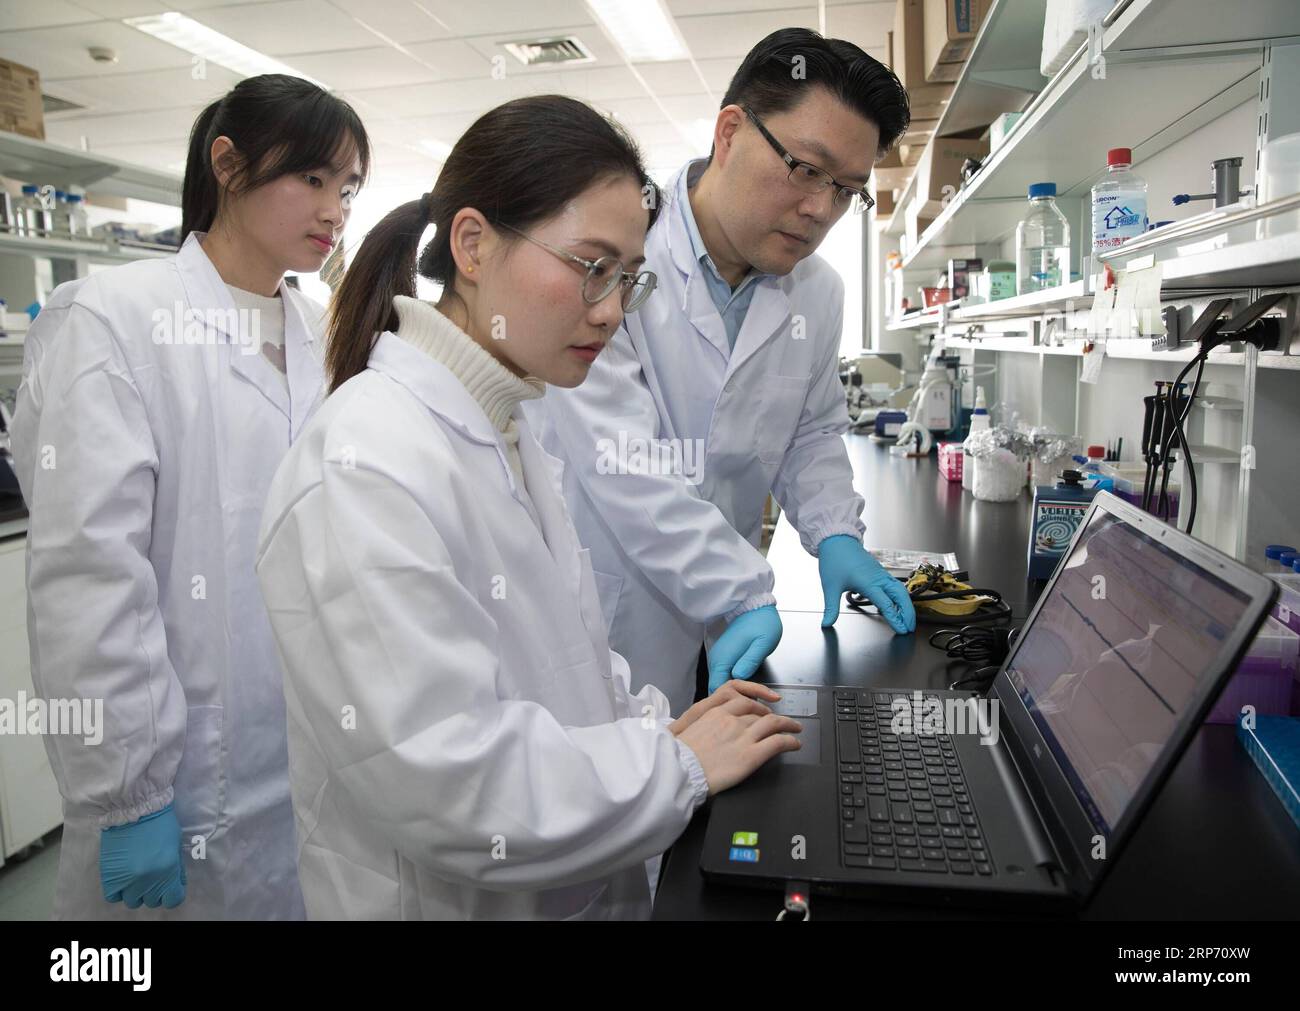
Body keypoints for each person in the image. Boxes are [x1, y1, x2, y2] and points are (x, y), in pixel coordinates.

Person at [255, 95, 802, 920]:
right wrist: (677, 767)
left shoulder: (505, 424)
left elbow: (571, 661)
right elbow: (451, 780)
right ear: (473, 244)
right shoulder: (364, 464)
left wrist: (667, 729)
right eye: (591, 266)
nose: (613, 309)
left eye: (627, 276)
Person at [11, 75, 369, 919]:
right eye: (313, 179)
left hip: (306, 760)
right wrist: (125, 792)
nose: (335, 209)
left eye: (348, 188)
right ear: (229, 165)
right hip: (174, 775)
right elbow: (89, 575)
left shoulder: (325, 334)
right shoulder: (113, 319)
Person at [527, 29, 918, 715]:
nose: (821, 209)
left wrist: (835, 534)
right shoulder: (619, 258)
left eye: (847, 190)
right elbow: (623, 461)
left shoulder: (817, 290)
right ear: (731, 131)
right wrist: (739, 586)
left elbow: (812, 431)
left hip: (725, 622)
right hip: (608, 605)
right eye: (806, 168)